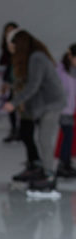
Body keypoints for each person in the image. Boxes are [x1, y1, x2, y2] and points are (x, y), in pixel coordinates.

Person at [3, 29, 66, 190]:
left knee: (44, 139)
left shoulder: (36, 58)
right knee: (41, 138)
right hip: (47, 103)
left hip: (52, 103)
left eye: (14, 45)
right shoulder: (34, 57)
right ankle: (44, 170)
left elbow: (33, 85)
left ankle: (50, 174)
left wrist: (14, 102)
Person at [56, 44, 76, 178]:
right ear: (70, 56)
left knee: (69, 136)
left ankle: (66, 162)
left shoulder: (73, 70)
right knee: (68, 136)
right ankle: (63, 165)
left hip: (71, 109)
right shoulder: (61, 71)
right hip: (63, 109)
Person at [0, 22, 20, 142]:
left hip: (22, 80)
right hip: (13, 80)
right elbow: (6, 64)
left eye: (12, 30)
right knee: (11, 104)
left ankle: (22, 130)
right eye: (7, 31)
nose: (10, 33)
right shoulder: (7, 47)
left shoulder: (22, 46)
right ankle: (15, 129)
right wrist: (6, 81)